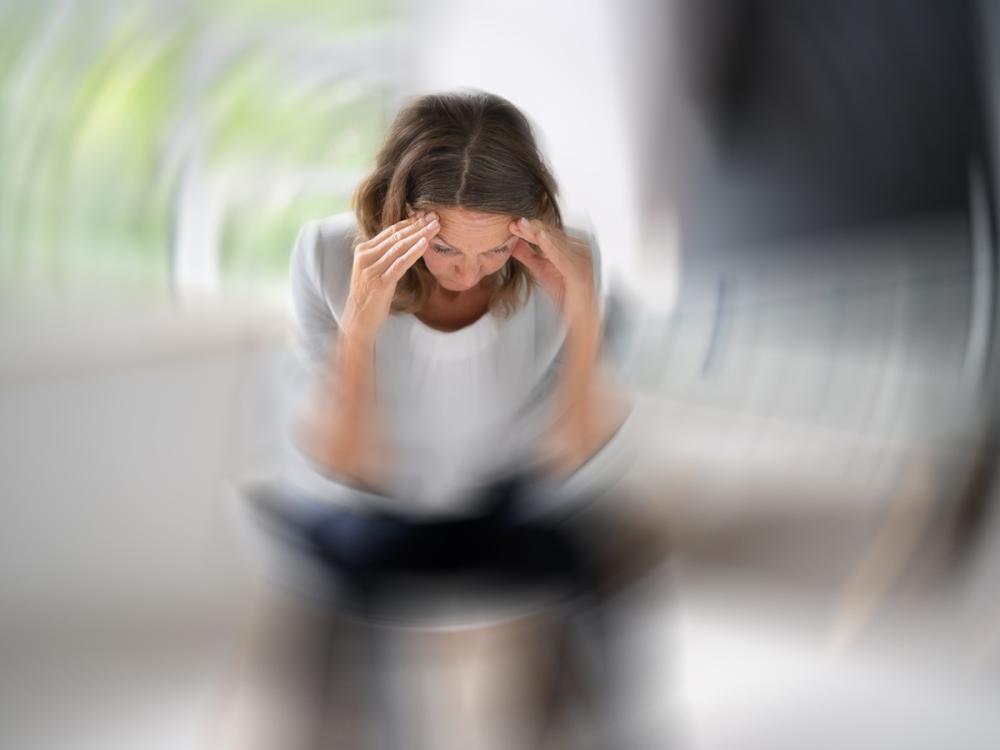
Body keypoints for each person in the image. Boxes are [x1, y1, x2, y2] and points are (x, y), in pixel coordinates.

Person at [229, 90, 638, 749]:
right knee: (324, 590)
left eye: (493, 250)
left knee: (606, 555)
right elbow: (346, 462)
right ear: (401, 216)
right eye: (446, 248)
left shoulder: (561, 262)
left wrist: (583, 316)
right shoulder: (329, 257)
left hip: (496, 499)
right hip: (368, 503)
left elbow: (571, 455)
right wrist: (360, 325)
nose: (466, 275)